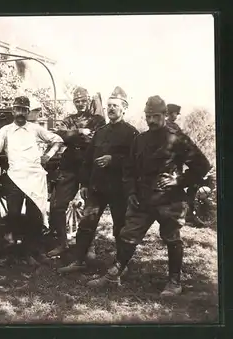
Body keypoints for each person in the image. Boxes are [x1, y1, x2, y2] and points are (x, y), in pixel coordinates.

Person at [86, 95, 211, 297]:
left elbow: (202, 165)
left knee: (172, 238)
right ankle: (113, 275)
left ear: (164, 115)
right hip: (142, 199)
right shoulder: (140, 140)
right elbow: (128, 170)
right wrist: (131, 192)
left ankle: (174, 281)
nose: (151, 120)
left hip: (169, 200)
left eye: (155, 116)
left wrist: (178, 181)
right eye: (148, 116)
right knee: (128, 236)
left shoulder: (176, 138)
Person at [58, 86, 139, 274]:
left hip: (119, 188)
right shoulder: (101, 131)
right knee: (86, 223)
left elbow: (134, 161)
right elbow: (88, 159)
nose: (111, 109)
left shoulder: (132, 133)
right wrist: (85, 183)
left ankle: (120, 265)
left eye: (115, 106)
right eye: (109, 106)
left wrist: (114, 160)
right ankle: (79, 260)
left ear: (124, 108)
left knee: (120, 227)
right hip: (97, 187)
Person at [0, 96, 63, 265]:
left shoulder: (35, 129)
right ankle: (9, 252)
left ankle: (30, 252)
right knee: (13, 215)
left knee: (35, 216)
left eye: (24, 110)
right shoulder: (5, 130)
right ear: (12, 111)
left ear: (28, 112)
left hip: (35, 177)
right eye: (17, 109)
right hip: (15, 177)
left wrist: (48, 155)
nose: (20, 113)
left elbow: (57, 140)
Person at [47, 87, 106, 257]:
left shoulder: (98, 120)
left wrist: (72, 137)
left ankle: (90, 246)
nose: (80, 104)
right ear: (74, 102)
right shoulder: (68, 119)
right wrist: (79, 133)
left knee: (91, 208)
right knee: (58, 206)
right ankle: (62, 243)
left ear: (89, 101)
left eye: (83, 100)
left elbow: (97, 139)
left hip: (89, 166)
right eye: (77, 101)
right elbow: (59, 133)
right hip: (69, 166)